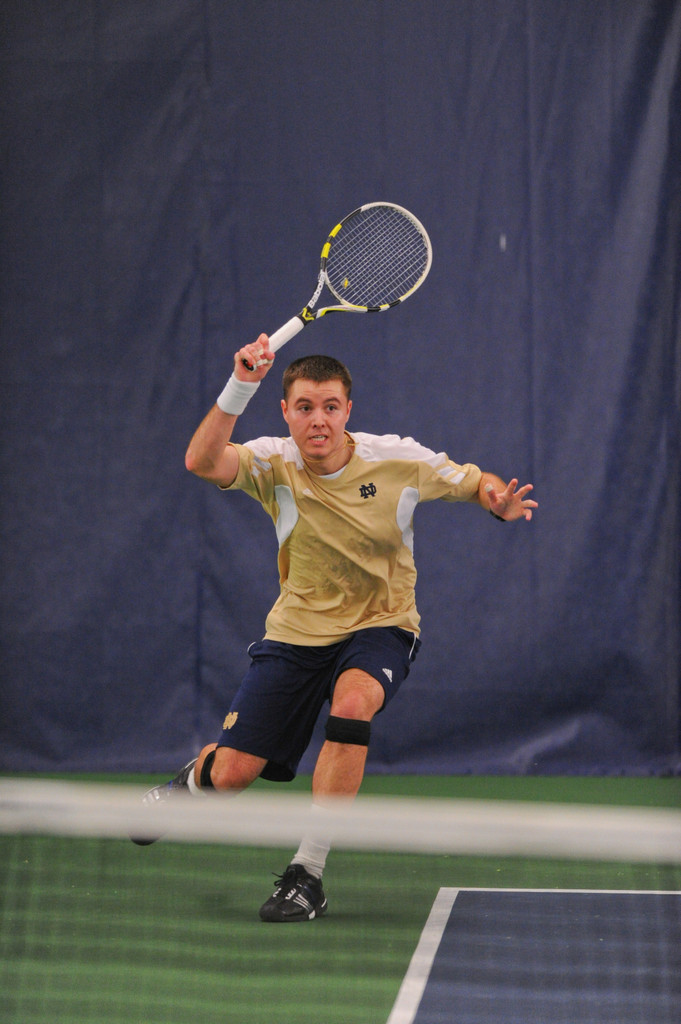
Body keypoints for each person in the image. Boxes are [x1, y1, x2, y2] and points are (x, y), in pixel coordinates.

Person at [133, 334, 537, 922]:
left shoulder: (397, 458)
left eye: (329, 406)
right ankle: (193, 782)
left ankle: (308, 873)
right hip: (296, 633)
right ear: (285, 412)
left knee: (353, 706)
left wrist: (495, 499)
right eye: (304, 407)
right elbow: (200, 461)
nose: (317, 420)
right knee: (233, 775)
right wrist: (239, 383)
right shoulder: (272, 462)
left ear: (348, 410)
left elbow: (476, 482)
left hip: (383, 624)